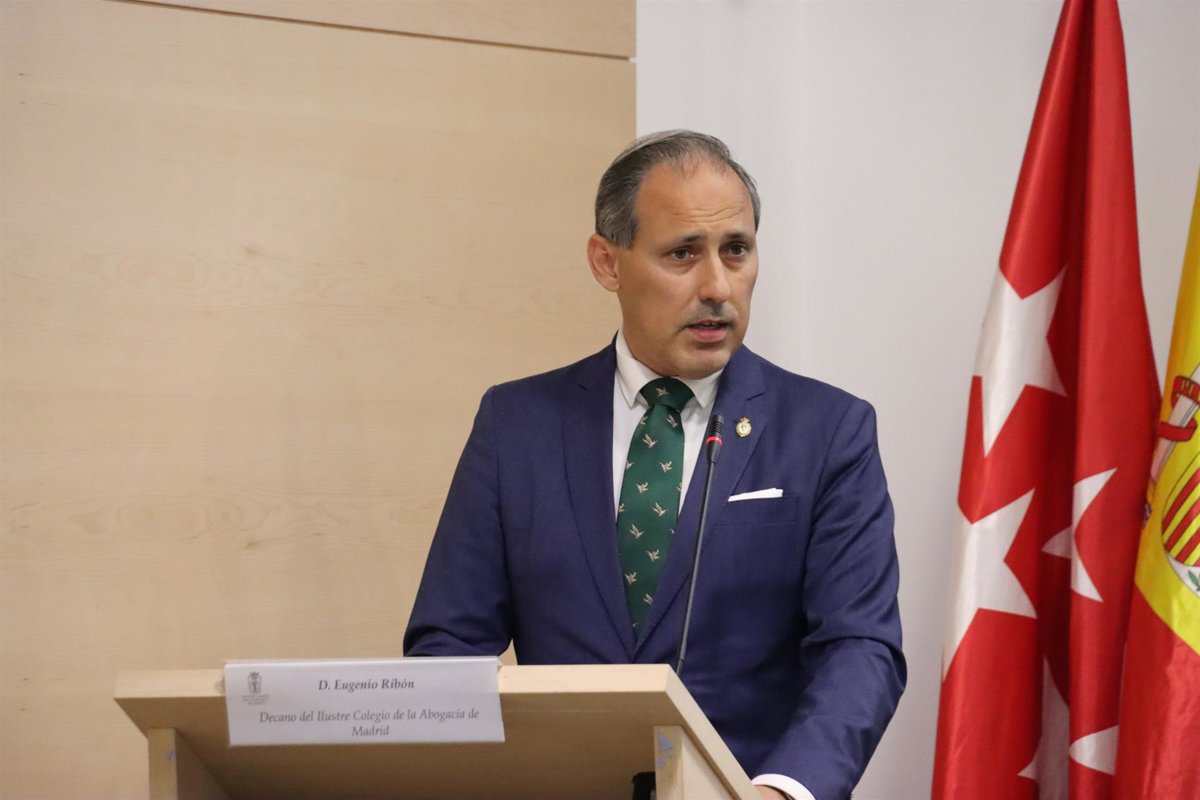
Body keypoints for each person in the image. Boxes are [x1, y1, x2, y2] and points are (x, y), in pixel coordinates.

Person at [404, 130, 905, 800]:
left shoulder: (828, 431)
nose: (717, 287)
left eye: (736, 250)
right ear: (607, 263)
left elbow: (860, 647)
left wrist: (784, 790)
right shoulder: (516, 425)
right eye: (682, 254)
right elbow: (448, 647)